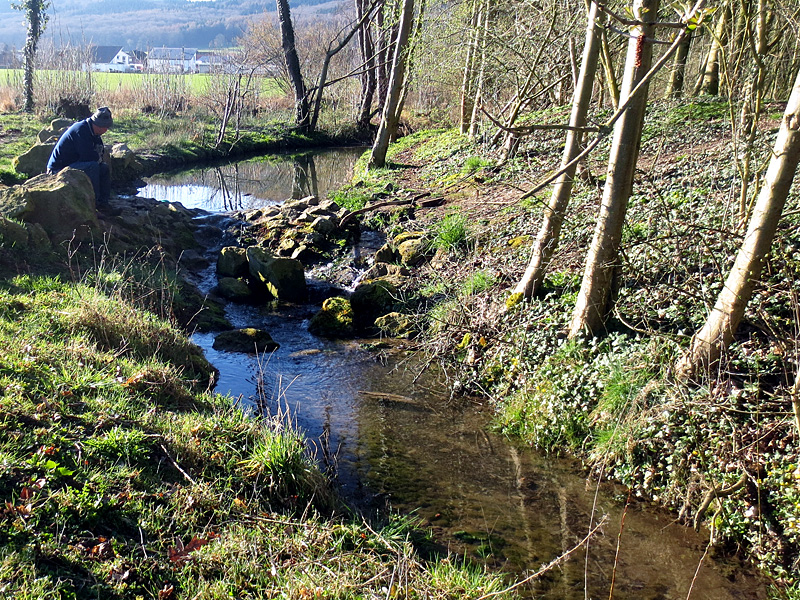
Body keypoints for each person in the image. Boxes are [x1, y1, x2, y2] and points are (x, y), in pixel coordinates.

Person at [47, 107, 113, 208]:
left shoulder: (93, 132)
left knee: (104, 168)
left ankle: (104, 203)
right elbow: (87, 156)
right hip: (58, 169)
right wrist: (97, 157)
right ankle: (94, 204)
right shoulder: (81, 130)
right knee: (93, 166)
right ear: (98, 125)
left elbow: (97, 154)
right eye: (105, 127)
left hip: (74, 164)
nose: (106, 130)